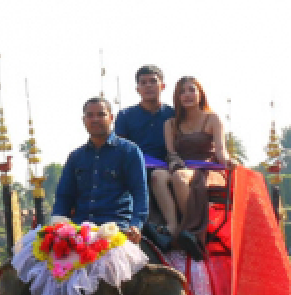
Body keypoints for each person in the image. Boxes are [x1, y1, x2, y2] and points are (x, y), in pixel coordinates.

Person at [53, 97, 148, 237]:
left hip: (116, 230)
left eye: (101, 114)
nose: (95, 119)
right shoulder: (76, 156)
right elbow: (63, 197)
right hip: (80, 231)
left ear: (111, 118)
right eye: (90, 115)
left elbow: (140, 193)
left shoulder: (129, 151)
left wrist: (136, 225)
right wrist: (57, 225)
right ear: (84, 120)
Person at [114, 66, 178, 244]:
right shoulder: (125, 115)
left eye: (153, 81)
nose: (148, 86)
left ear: (162, 86)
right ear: (137, 89)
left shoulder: (173, 114)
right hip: (135, 167)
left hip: (165, 169)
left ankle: (173, 229)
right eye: (143, 83)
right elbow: (120, 149)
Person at [162, 75, 227, 245]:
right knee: (157, 177)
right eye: (182, 92)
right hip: (180, 166)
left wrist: (229, 163)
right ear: (177, 97)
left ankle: (193, 231)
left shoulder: (212, 118)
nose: (187, 95)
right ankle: (173, 226)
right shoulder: (170, 124)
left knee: (180, 177)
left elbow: (221, 150)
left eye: (192, 90)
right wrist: (176, 164)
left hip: (208, 169)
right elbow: (171, 153)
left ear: (200, 94)